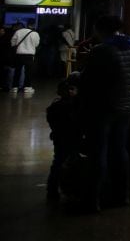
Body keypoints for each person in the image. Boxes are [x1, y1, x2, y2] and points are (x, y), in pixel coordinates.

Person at [79, 15, 130, 210]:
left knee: (98, 152)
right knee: (120, 149)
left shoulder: (102, 50)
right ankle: (122, 195)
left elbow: (87, 81)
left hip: (103, 108)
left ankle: (93, 199)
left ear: (100, 29)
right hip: (128, 107)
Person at [46, 72, 80, 203]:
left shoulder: (54, 107)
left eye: (72, 89)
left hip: (59, 138)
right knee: (66, 162)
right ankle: (66, 188)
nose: (70, 91)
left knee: (58, 162)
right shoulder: (74, 107)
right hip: (70, 138)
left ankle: (53, 188)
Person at [11, 20, 40, 95]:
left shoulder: (18, 32)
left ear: (26, 24)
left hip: (19, 54)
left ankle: (15, 87)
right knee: (28, 72)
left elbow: (13, 42)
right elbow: (36, 44)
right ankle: (27, 87)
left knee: (17, 71)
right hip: (29, 55)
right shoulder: (35, 34)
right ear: (34, 25)